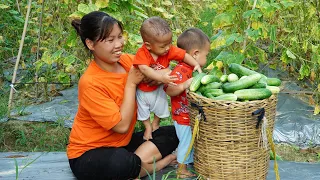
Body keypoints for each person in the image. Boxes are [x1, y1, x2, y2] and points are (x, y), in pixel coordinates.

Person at [67, 11, 179, 180]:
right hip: (89, 154)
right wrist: (131, 83)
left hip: (123, 145)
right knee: (121, 162)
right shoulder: (90, 82)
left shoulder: (127, 61)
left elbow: (158, 68)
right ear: (90, 44)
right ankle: (155, 164)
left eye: (120, 37)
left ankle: (138, 166)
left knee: (173, 133)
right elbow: (121, 127)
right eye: (110, 40)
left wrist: (159, 77)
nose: (119, 44)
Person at [133, 16, 202, 141]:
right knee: (143, 110)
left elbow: (184, 55)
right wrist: (160, 76)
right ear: (148, 45)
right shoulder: (143, 53)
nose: (167, 48)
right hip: (143, 90)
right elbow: (144, 69)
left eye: (170, 43)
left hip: (157, 88)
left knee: (161, 106)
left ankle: (156, 122)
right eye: (163, 46)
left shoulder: (168, 50)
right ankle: (147, 127)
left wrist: (195, 64)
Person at [164, 28, 210, 178]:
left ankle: (187, 163)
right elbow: (169, 89)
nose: (207, 58)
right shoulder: (180, 70)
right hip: (182, 116)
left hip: (188, 115)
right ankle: (181, 169)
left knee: (189, 141)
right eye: (206, 55)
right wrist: (183, 85)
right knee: (185, 142)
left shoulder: (191, 70)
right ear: (195, 54)